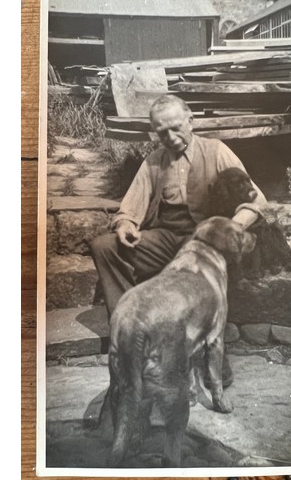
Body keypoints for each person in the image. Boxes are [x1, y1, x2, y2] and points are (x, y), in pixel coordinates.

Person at [90, 95, 267, 385]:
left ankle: (209, 358)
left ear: (191, 121)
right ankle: (132, 334)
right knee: (105, 246)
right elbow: (130, 207)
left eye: (175, 128)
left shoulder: (217, 151)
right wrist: (125, 224)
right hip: (165, 236)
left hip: (203, 241)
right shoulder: (154, 161)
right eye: (162, 132)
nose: (170, 137)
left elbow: (257, 199)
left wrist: (233, 227)